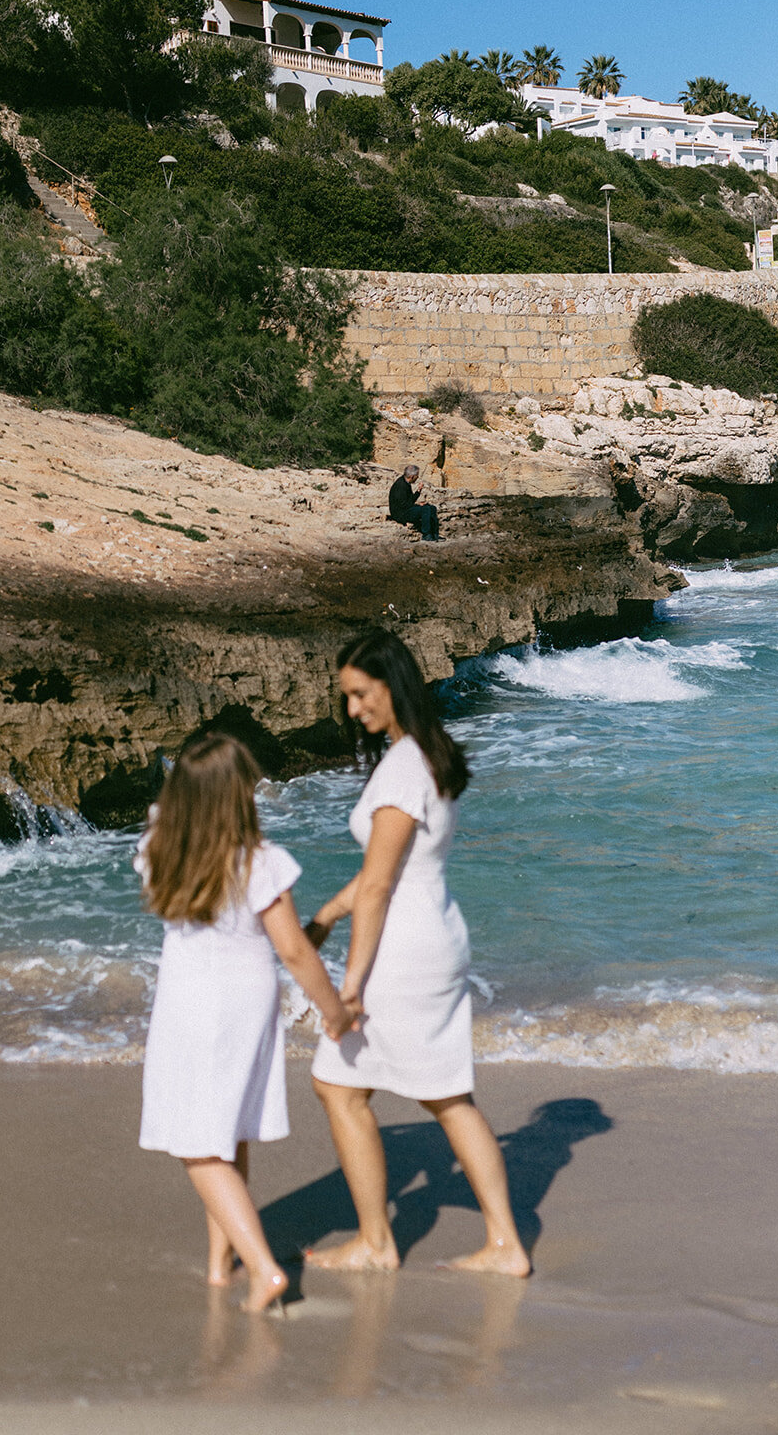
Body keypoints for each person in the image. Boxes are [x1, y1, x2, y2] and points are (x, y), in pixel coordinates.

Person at [303, 629, 531, 1277]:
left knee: (343, 1085)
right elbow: (391, 872)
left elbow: (378, 885)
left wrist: (349, 986)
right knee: (438, 1095)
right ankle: (503, 1244)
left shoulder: (402, 768)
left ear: (390, 684)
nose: (351, 710)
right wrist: (323, 917)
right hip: (428, 933)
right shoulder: (425, 754)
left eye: (358, 694)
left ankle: (379, 1241)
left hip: (401, 952)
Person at [137, 733, 354, 1313]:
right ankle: (220, 1264)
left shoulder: (161, 847)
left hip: (188, 1001)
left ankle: (263, 1270)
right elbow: (295, 952)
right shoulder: (257, 861)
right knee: (224, 1130)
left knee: (196, 1143)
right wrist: (332, 1008)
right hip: (244, 1000)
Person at [388, 465, 439, 541]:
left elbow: (409, 500)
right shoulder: (401, 486)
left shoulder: (406, 483)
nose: (417, 478)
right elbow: (403, 505)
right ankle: (426, 534)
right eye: (416, 476)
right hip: (400, 513)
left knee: (432, 508)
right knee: (425, 509)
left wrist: (418, 491)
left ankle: (434, 534)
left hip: (405, 509)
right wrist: (417, 505)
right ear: (412, 476)